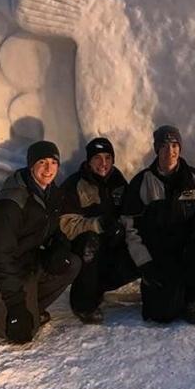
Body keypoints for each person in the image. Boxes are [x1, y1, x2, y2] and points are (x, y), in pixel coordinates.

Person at [0, 140, 80, 344]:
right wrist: (15, 305)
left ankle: (32, 310)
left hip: (26, 265)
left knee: (71, 264)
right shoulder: (9, 204)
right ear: (31, 166)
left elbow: (55, 231)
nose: (48, 169)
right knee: (21, 335)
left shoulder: (51, 193)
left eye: (53, 163)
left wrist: (59, 249)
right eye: (42, 163)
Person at [121, 125, 195, 324]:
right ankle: (171, 292)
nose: (170, 151)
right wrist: (144, 263)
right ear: (156, 149)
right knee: (162, 314)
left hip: (189, 245)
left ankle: (194, 299)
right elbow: (130, 227)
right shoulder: (142, 182)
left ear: (180, 148)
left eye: (174, 145)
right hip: (159, 252)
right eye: (164, 146)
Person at [60, 137, 138, 323]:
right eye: (97, 158)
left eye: (108, 158)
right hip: (84, 248)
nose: (103, 163)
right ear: (88, 161)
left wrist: (121, 227)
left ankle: (101, 286)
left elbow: (129, 212)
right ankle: (84, 304)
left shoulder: (117, 181)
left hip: (112, 245)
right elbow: (66, 225)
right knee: (89, 243)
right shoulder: (75, 184)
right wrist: (98, 224)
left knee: (141, 243)